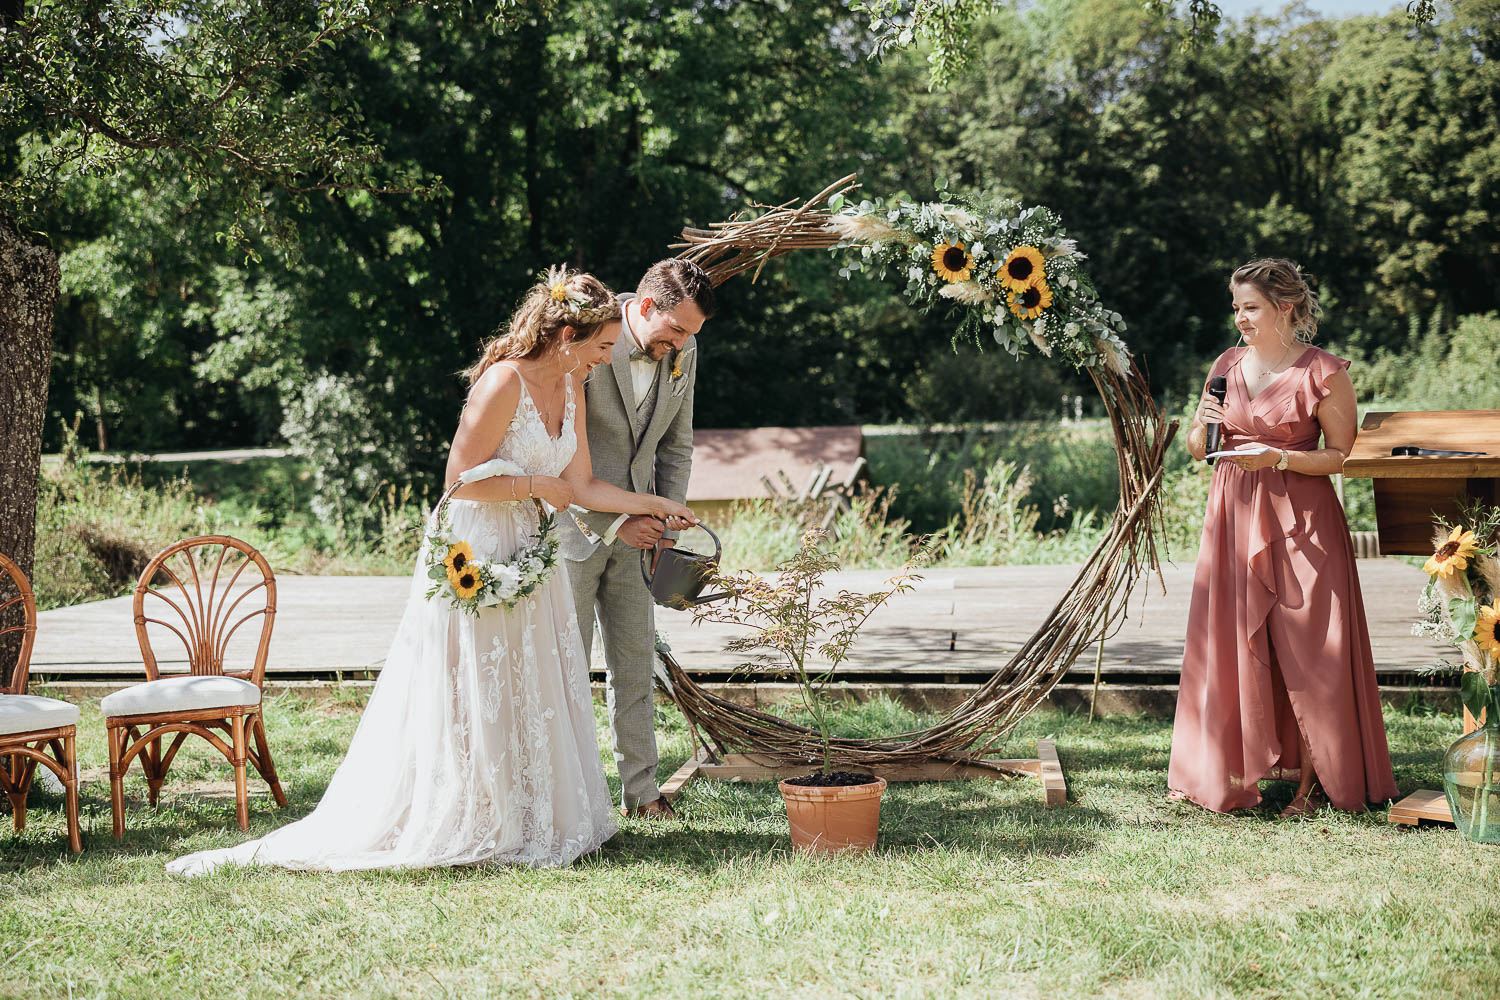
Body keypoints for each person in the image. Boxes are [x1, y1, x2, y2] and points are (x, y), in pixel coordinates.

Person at [167, 267, 695, 875]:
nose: (608, 358)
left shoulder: (573, 389)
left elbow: (581, 485)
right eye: (603, 345)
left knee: (527, 682)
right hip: (479, 551)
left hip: (533, 548)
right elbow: (460, 484)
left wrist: (651, 504)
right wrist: (534, 484)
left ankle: (524, 814)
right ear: (569, 335)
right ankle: (470, 813)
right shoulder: (503, 383)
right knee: (476, 683)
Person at [1168, 258, 1400, 817]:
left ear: (1286, 308)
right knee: (1232, 645)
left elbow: (1341, 457)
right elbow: (1201, 450)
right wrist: (1202, 424)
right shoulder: (1226, 364)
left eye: (1251, 308)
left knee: (1314, 646)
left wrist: (1280, 457)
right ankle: (1233, 774)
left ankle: (1317, 784)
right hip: (1232, 517)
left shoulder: (1324, 370)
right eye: (1237, 308)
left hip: (1303, 519)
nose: (1240, 319)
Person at [560, 259, 715, 819]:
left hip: (644, 532)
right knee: (568, 666)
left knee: (634, 661)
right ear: (645, 307)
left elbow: (677, 443)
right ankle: (575, 795)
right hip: (570, 529)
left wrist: (667, 530)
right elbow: (553, 452)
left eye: (691, 336)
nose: (680, 345)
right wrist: (613, 520)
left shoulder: (684, 348)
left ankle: (643, 792)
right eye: (674, 330)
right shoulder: (584, 336)